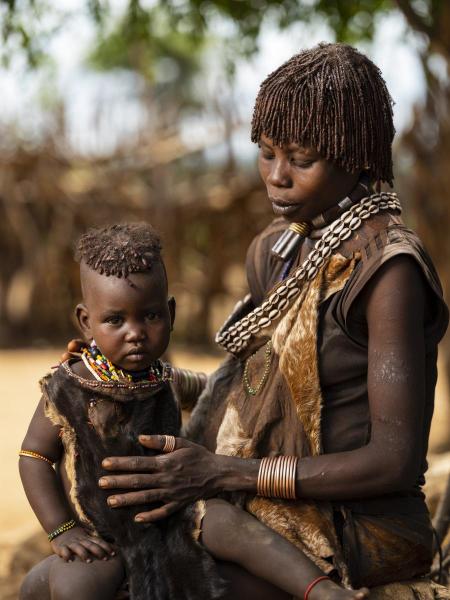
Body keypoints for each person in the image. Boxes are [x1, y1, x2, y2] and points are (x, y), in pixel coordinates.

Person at [21, 42, 450, 599]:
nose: (276, 177)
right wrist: (138, 385)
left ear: (358, 154)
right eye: (266, 153)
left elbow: (392, 463)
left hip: (357, 524)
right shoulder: (275, 250)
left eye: (301, 158)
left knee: (136, 578)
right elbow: (257, 387)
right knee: (44, 582)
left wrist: (223, 473)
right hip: (254, 499)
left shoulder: (389, 272)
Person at [19, 222, 371, 600]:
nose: (135, 332)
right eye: (115, 320)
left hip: (179, 513)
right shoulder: (67, 387)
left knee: (232, 523)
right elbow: (34, 456)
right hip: (104, 534)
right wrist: (62, 529)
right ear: (86, 322)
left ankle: (322, 591)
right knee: (81, 584)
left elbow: (214, 390)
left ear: (170, 313)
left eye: (150, 316)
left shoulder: (164, 378)